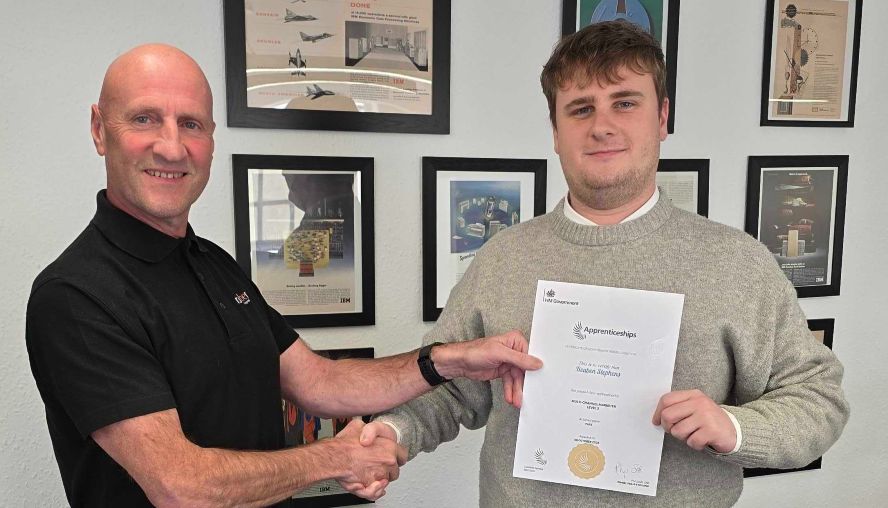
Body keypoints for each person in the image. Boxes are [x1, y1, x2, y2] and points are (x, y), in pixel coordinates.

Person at [25, 44, 542, 508]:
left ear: (209, 138)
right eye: (144, 119)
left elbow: (320, 382)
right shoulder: (76, 296)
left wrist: (450, 358)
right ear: (99, 130)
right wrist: (335, 459)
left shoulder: (212, 263)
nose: (171, 147)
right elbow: (182, 487)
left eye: (191, 124)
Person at [362, 20, 849, 507]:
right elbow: (449, 391)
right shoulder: (503, 258)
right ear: (555, 132)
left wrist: (737, 428)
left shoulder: (737, 264)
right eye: (580, 109)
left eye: (624, 102)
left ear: (661, 118)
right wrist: (391, 431)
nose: (602, 126)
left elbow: (818, 399)